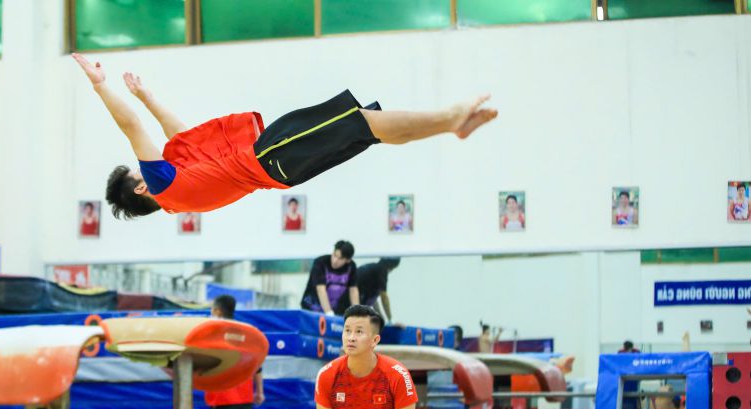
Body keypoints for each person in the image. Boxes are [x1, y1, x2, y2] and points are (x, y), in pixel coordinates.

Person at [71, 54, 497, 219]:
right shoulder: (163, 184)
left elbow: (182, 137)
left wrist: (147, 95)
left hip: (280, 170)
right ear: (142, 185)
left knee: (368, 127)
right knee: (364, 123)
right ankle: (449, 118)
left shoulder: (177, 190)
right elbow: (132, 128)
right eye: (141, 168)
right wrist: (99, 84)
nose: (150, 162)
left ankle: (449, 123)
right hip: (270, 155)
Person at [301, 241, 359, 316]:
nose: (335, 261)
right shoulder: (320, 263)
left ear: (348, 260)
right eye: (334, 255)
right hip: (311, 308)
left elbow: (353, 290)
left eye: (340, 258)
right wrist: (329, 313)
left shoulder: (351, 267)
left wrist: (358, 312)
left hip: (333, 307)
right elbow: (321, 289)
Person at [356, 257, 400, 322]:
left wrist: (382, 319)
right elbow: (384, 297)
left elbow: (374, 301)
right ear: (391, 267)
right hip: (351, 302)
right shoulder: (381, 271)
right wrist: (390, 320)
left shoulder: (373, 269)